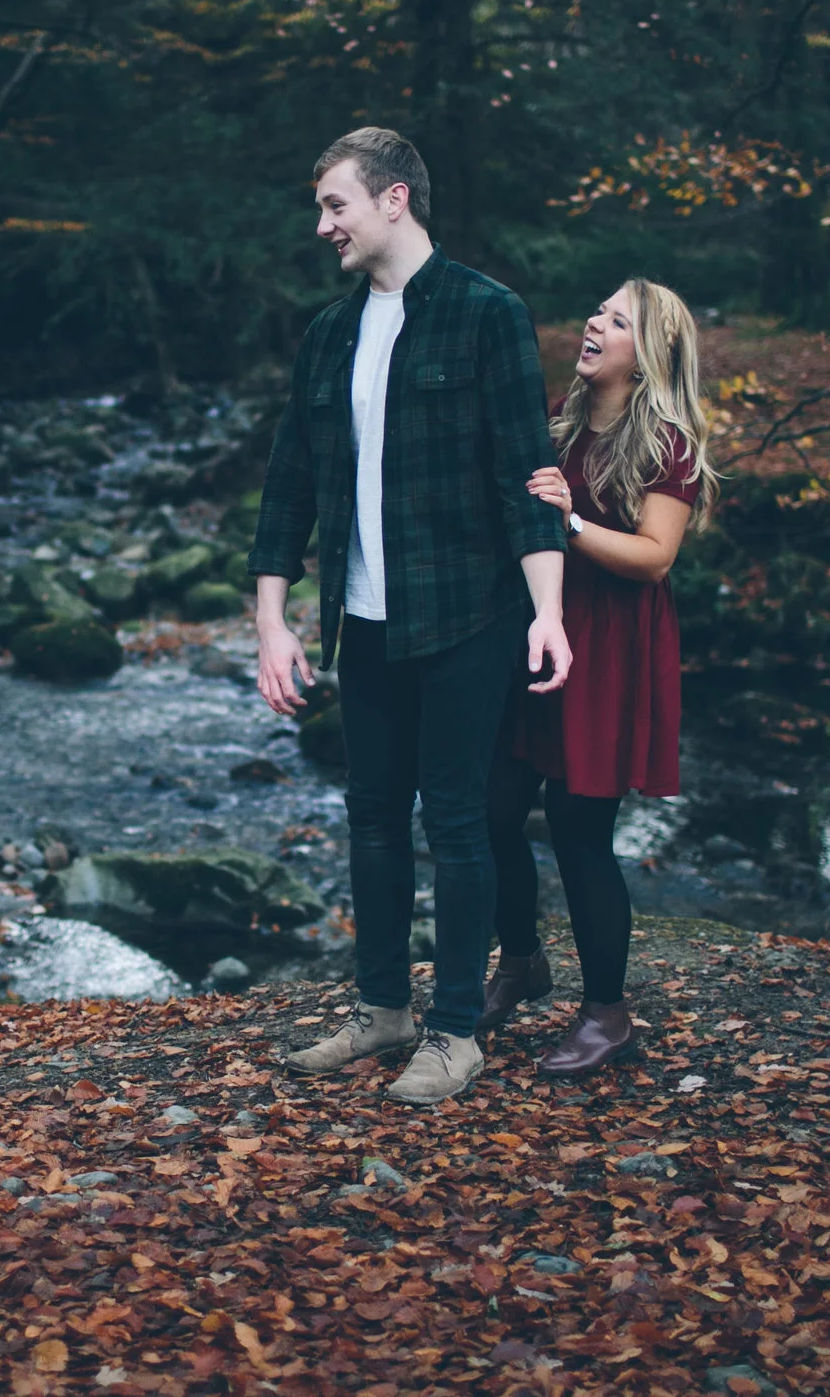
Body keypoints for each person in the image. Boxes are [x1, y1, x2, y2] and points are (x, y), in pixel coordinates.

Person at [249, 126, 571, 1107]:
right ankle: (382, 1007)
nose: (322, 224)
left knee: (460, 819)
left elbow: (529, 480)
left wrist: (546, 611)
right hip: (365, 621)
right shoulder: (328, 332)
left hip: (469, 615)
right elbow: (287, 488)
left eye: (335, 204)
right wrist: (273, 620)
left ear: (394, 200)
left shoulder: (487, 315)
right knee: (374, 816)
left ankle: (456, 1029)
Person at [476, 278, 717, 1076]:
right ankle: (520, 960)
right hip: (537, 629)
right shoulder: (562, 417)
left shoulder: (667, 443)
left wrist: (569, 519)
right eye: (599, 310)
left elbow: (655, 558)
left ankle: (606, 1012)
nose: (595, 321)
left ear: (647, 355)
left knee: (579, 830)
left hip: (610, 645)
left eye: (619, 320)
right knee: (491, 809)